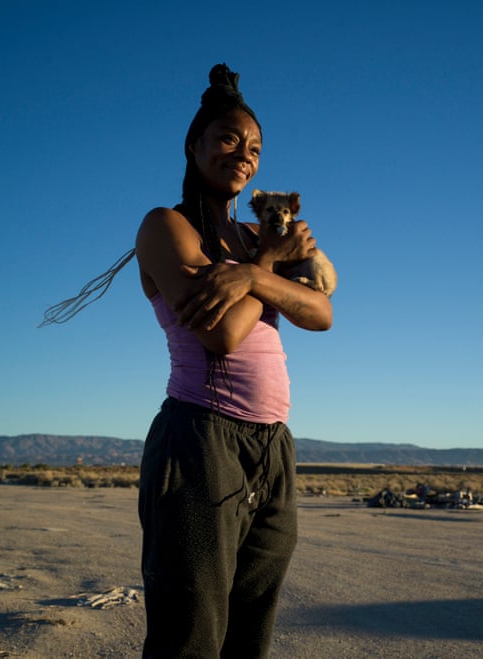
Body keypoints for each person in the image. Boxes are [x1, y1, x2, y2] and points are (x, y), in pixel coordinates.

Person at [134, 64, 333, 658]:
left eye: (254, 148)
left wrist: (252, 269)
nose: (243, 154)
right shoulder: (167, 227)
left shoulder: (254, 239)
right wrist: (265, 267)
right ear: (193, 145)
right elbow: (219, 335)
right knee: (190, 635)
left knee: (252, 631)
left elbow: (321, 313)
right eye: (226, 138)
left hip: (273, 445)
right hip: (200, 438)